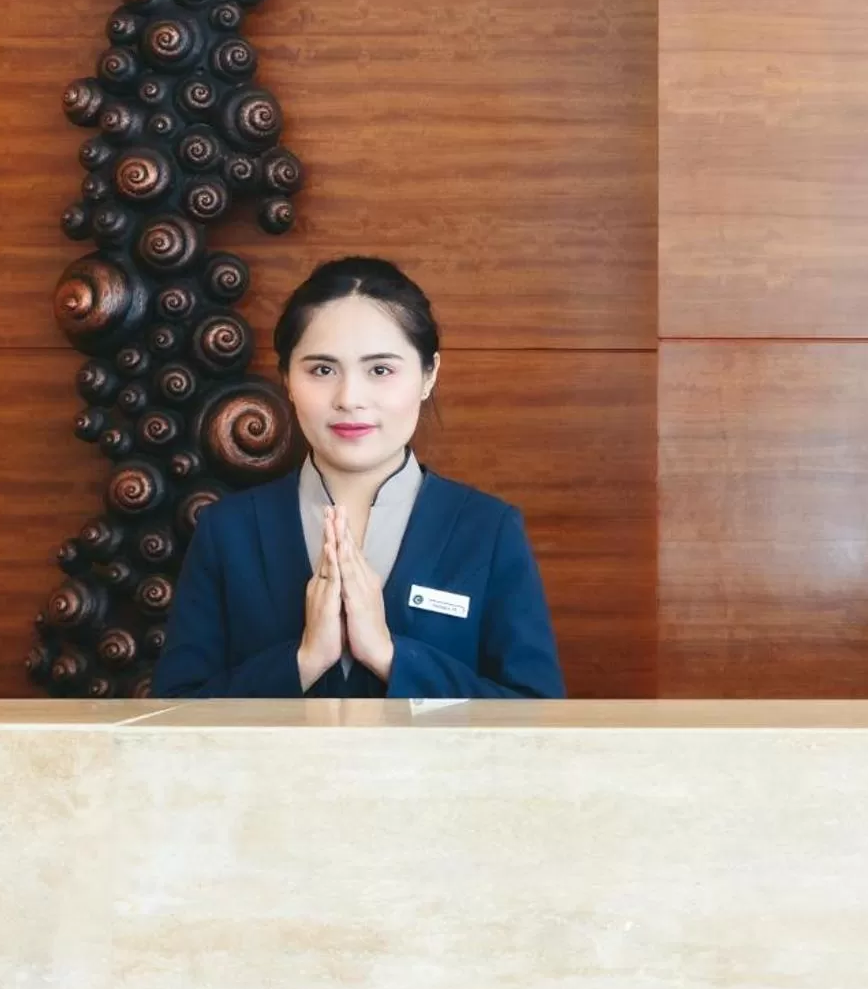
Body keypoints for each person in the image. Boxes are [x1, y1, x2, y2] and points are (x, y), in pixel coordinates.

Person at [154, 257, 565, 698]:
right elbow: (177, 712)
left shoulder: (488, 529)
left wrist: (391, 659)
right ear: (287, 380)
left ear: (429, 375)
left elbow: (534, 714)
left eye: (381, 370)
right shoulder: (228, 531)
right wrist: (302, 661)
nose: (350, 398)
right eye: (322, 370)